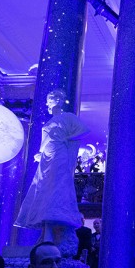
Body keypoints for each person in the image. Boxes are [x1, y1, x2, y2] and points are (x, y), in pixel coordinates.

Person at [15, 89, 89, 248]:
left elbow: (84, 130)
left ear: (58, 101)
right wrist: (40, 153)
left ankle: (50, 233)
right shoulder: (50, 121)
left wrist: (66, 139)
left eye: (50, 99)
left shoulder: (67, 117)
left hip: (59, 154)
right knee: (44, 187)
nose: (47, 102)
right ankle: (45, 233)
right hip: (47, 156)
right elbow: (46, 140)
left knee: (55, 186)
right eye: (48, 99)